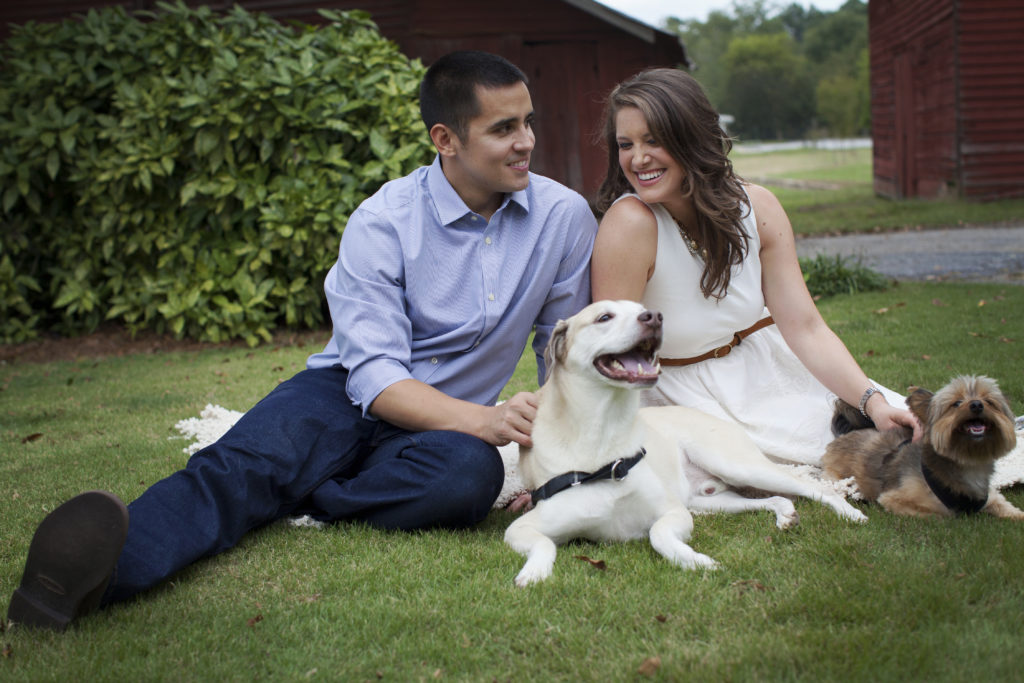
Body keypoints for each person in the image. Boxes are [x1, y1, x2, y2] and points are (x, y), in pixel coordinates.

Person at [7, 50, 598, 631]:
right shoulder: (383, 220)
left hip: (442, 432)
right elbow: (376, 378)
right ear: (445, 139)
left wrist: (553, 470)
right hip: (342, 392)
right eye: (503, 129)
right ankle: (83, 583)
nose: (526, 142)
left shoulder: (562, 217)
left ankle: (300, 492)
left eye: (528, 123)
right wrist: (486, 421)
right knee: (237, 469)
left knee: (467, 480)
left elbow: (564, 354)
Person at [590, 67, 918, 466]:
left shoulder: (758, 207)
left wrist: (873, 403)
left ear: (691, 137)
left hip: (764, 369)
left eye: (654, 141)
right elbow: (607, 350)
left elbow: (806, 328)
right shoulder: (630, 224)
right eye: (626, 144)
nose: (638, 159)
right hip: (676, 391)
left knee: (905, 435)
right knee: (807, 461)